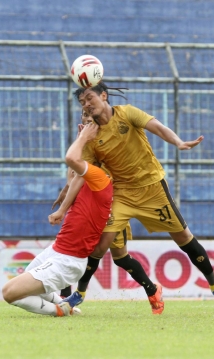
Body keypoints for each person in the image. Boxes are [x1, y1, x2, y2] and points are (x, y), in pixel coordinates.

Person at [63, 82, 214, 315]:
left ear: (104, 96)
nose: (86, 104)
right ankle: (80, 294)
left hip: (152, 188)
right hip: (122, 193)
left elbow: (157, 127)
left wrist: (178, 142)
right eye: (82, 102)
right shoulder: (91, 136)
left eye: (90, 98)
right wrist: (66, 195)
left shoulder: (127, 113)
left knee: (184, 238)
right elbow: (81, 171)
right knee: (101, 245)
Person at [54, 111, 164, 314]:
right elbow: (75, 174)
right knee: (73, 249)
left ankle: (151, 289)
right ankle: (65, 297)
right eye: (84, 121)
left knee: (120, 257)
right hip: (85, 210)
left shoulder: (108, 150)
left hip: (111, 209)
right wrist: (65, 193)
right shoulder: (82, 146)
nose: (87, 125)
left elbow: (92, 173)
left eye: (91, 122)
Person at [1, 122, 112, 317]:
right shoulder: (83, 180)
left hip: (69, 260)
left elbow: (72, 159)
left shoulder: (101, 178)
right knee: (26, 289)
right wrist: (83, 139)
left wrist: (84, 138)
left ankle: (58, 311)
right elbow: (74, 172)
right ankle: (65, 304)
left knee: (10, 292)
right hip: (56, 250)